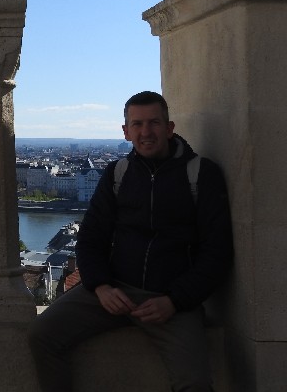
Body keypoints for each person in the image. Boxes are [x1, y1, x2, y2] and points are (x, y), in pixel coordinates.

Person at [28, 91, 233, 392]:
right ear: (125, 132)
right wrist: (101, 286)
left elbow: (218, 252)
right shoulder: (117, 173)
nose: (145, 132)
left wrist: (175, 300)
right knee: (41, 336)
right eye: (137, 124)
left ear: (170, 127)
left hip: (171, 300)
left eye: (153, 123)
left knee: (195, 383)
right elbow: (90, 237)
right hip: (115, 290)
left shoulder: (201, 174)